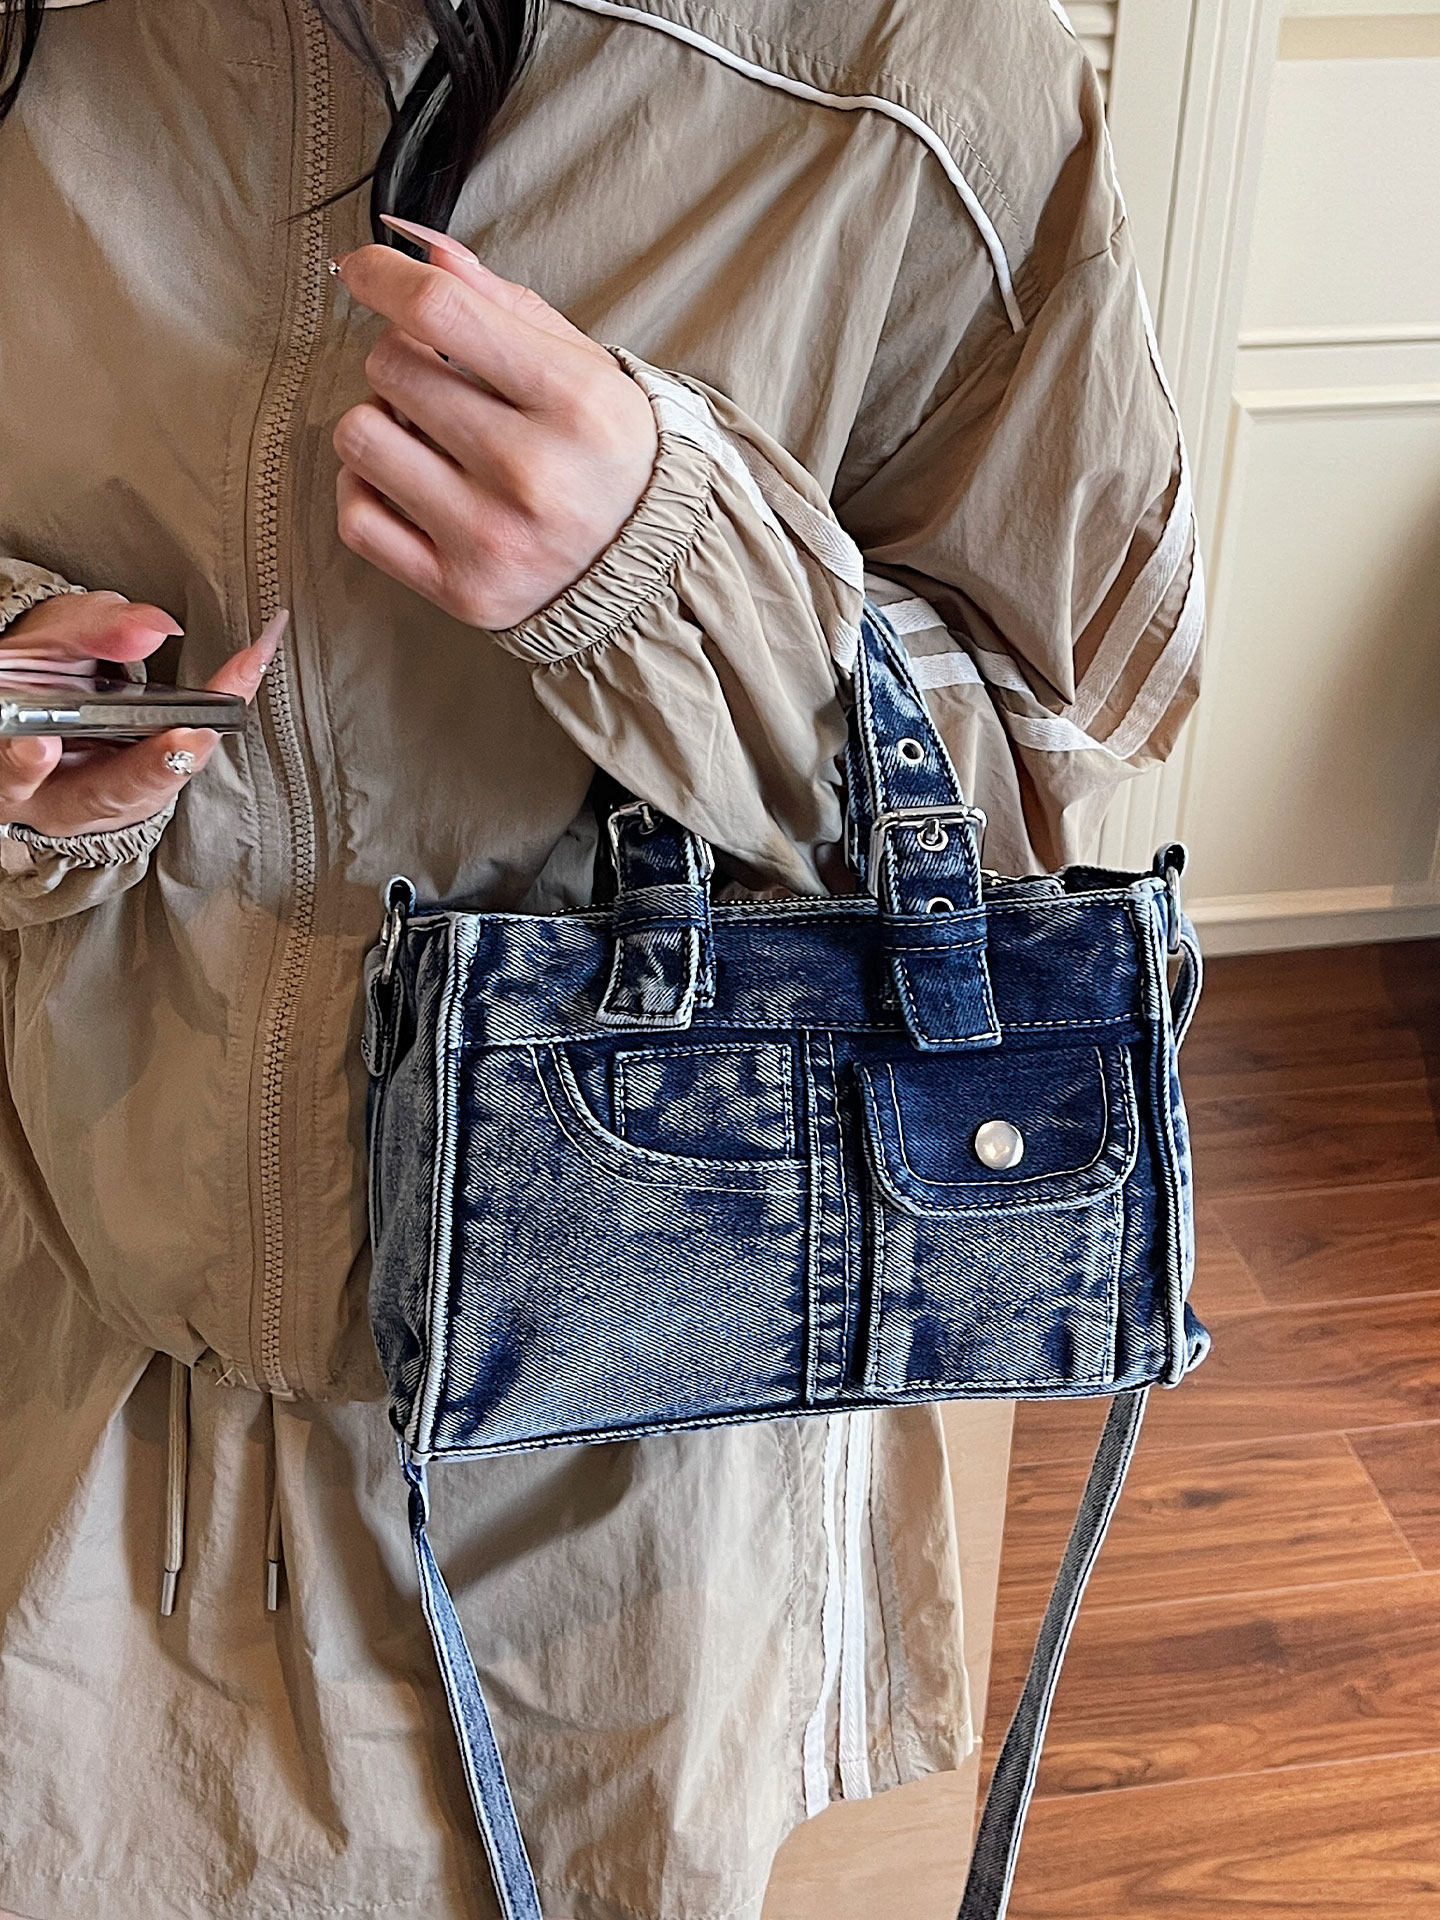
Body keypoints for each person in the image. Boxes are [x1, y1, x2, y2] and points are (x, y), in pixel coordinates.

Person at [0, 2, 1201, 1917]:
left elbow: (1062, 751)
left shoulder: (913, 57)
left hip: (615, 1487)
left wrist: (687, 577)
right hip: (74, 1354)